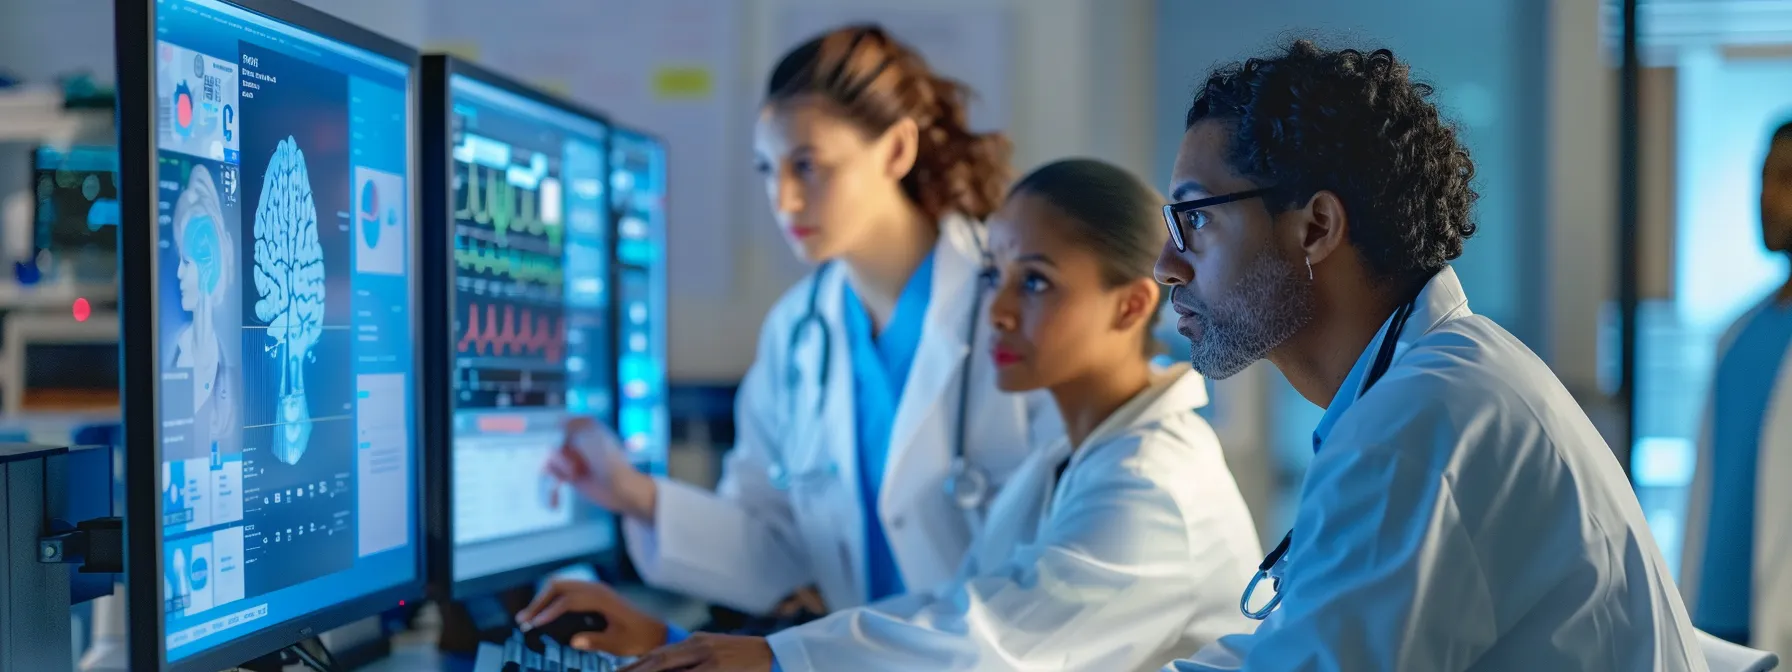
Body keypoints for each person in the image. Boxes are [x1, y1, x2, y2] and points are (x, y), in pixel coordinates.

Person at [525, 159, 1262, 672]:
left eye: (1034, 283)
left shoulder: (1152, 485)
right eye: (992, 276)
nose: (997, 312)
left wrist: (765, 659)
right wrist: (676, 640)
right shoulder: (1068, 459)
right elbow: (944, 612)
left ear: (1132, 305)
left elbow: (984, 648)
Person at [1152, 40, 1703, 671]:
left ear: (1317, 227)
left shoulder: (1418, 422)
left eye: (1193, 219)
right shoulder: (1436, 384)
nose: (1165, 266)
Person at [539, 23, 1058, 645]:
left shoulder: (1011, 303)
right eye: (767, 169)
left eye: (808, 166)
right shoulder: (795, 333)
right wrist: (634, 493)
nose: (783, 200)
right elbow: (774, 550)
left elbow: (1058, 558)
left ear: (896, 150)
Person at [1681, 119, 1792, 661]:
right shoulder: (1737, 335)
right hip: (1716, 630)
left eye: (1788, 180)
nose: (1768, 198)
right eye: (1764, 179)